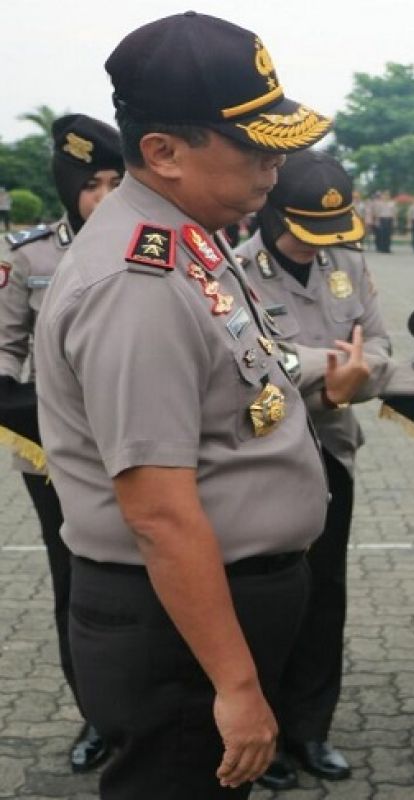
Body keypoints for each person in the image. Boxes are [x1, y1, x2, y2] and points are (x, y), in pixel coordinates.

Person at [33, 12, 370, 797]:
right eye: (257, 148)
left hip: (208, 610)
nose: (275, 168)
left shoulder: (188, 236)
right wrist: (239, 687)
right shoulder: (136, 282)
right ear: (163, 153)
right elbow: (158, 512)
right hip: (177, 629)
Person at [235, 149, 393, 789]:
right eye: (305, 228)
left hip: (332, 452)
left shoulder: (348, 264)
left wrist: (348, 376)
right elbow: (240, 370)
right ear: (273, 212)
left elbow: (380, 349)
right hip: (261, 460)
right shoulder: (234, 272)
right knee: (266, 599)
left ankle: (310, 728)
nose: (317, 244)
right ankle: (261, 736)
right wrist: (333, 371)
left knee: (325, 594)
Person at [0, 113, 122, 774]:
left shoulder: (149, 247)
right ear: (68, 186)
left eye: (114, 181)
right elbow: (3, 346)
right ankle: (97, 716)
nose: (103, 197)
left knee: (143, 583)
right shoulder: (30, 255)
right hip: (51, 455)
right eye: (91, 184)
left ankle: (150, 707)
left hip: (138, 448)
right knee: (76, 588)